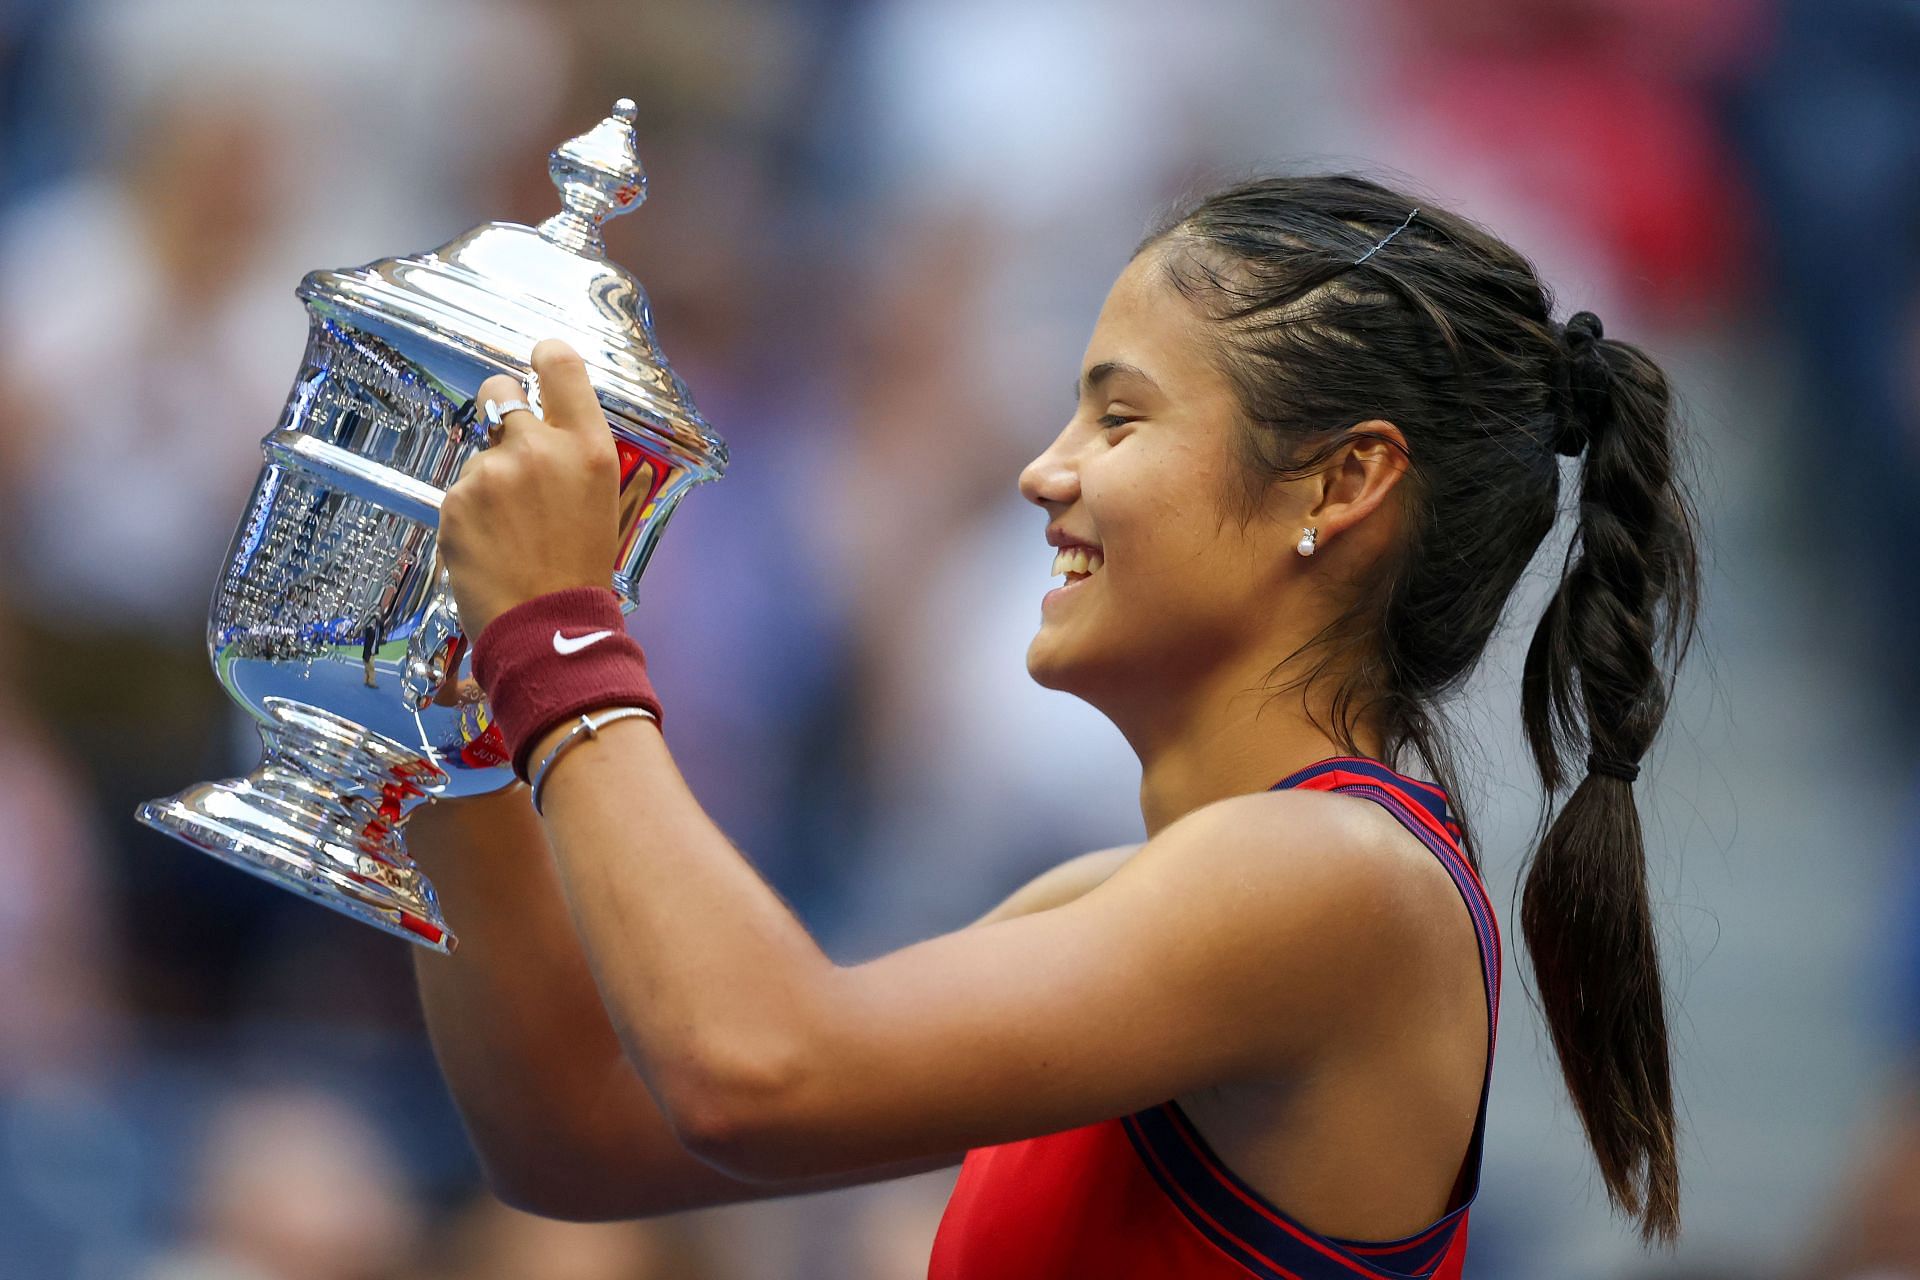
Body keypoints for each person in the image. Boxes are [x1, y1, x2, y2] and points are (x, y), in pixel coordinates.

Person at [410, 174, 1703, 1277]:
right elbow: (575, 1135)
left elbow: (751, 1069)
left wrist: (562, 633)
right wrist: (454, 714)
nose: (1046, 469)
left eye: (1120, 415)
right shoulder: (1118, 899)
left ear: (1342, 480)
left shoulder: (1342, 880)